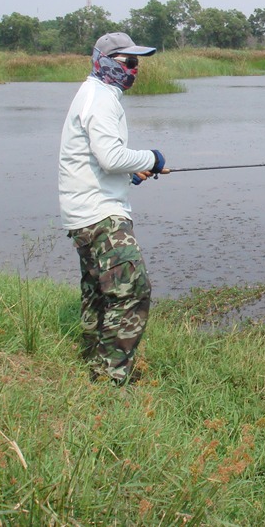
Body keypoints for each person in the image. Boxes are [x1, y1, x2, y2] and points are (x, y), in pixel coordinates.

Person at [58, 32, 167, 385]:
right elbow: (110, 156)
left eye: (137, 63)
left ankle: (92, 364)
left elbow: (96, 160)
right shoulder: (101, 98)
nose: (135, 70)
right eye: (129, 62)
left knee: (99, 292)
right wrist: (153, 157)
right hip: (101, 214)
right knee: (133, 291)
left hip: (83, 211)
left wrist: (131, 176)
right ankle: (109, 378)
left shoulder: (92, 94)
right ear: (105, 61)